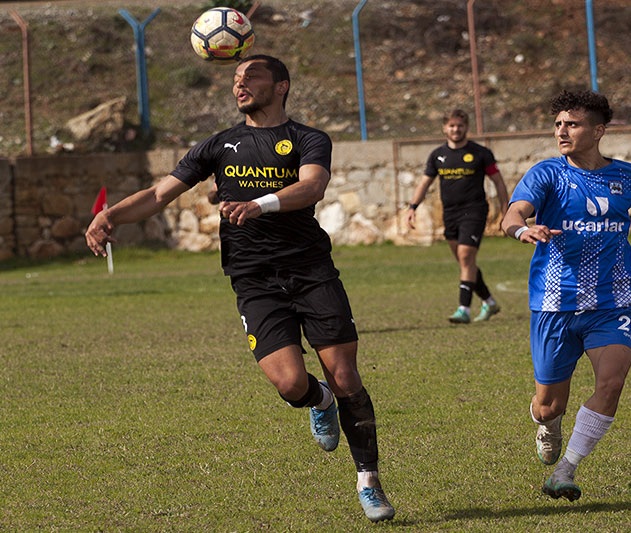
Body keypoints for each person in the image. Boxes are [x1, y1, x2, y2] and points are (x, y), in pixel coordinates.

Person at [85, 55, 395, 522]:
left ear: (282, 85)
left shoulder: (308, 139)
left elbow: (311, 188)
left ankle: (368, 481)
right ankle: (319, 401)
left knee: (346, 375)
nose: (240, 84)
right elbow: (156, 195)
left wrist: (260, 204)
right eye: (235, 78)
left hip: (311, 270)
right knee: (291, 384)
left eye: (251, 76)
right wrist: (109, 216)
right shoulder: (219, 144)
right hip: (254, 280)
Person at [501, 90, 631, 501]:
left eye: (572, 124)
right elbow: (512, 213)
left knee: (611, 382)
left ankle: (565, 472)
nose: (562, 131)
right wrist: (523, 229)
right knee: (549, 405)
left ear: (598, 130)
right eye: (558, 125)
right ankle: (547, 423)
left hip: (612, 304)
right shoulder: (547, 174)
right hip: (556, 304)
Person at [404, 109, 509, 324]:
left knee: (465, 257)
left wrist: (506, 210)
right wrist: (412, 206)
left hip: (475, 211)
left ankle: (464, 309)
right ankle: (489, 302)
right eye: (451, 125)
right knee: (465, 262)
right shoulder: (437, 155)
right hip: (450, 213)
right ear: (444, 128)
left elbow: (498, 181)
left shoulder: (481, 153)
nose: (456, 129)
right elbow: (425, 182)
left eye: (460, 125)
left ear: (466, 127)